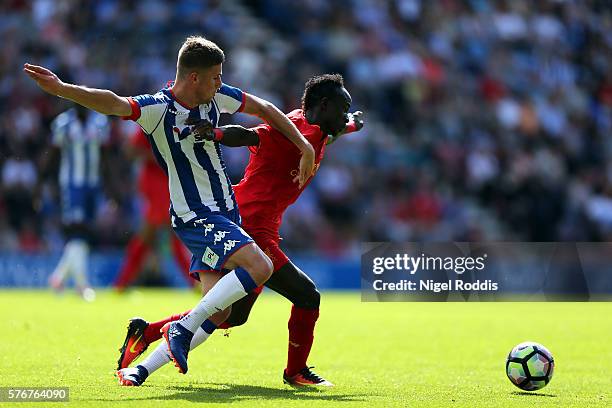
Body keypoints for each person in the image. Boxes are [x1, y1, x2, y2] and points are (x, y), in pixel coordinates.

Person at [24, 35, 316, 377]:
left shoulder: (215, 97)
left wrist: (304, 146)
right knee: (261, 267)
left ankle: (140, 369)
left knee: (219, 313)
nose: (221, 83)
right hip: (197, 216)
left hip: (226, 213)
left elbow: (265, 109)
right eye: (216, 76)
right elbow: (114, 102)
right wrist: (61, 89)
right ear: (194, 77)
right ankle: (179, 328)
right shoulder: (158, 108)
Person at [115, 74, 364, 386]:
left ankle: (149, 331)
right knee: (306, 295)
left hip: (261, 226)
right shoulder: (295, 130)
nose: (343, 116)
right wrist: (216, 134)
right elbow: (250, 135)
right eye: (342, 109)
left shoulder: (319, 129)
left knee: (232, 315)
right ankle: (295, 371)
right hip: (249, 225)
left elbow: (333, 132)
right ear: (324, 105)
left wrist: (352, 123)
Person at [113, 127, 193, 290]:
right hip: (156, 184)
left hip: (169, 183)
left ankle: (121, 283)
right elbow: (130, 151)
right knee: (168, 232)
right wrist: (160, 156)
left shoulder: (175, 121)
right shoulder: (150, 122)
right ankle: (194, 282)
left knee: (157, 234)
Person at [47, 104, 109, 301]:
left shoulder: (99, 122)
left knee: (83, 232)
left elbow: (106, 155)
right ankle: (82, 285)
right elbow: (54, 154)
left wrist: (111, 182)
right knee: (77, 230)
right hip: (71, 186)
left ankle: (58, 278)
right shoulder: (64, 123)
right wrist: (46, 183)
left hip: (92, 184)